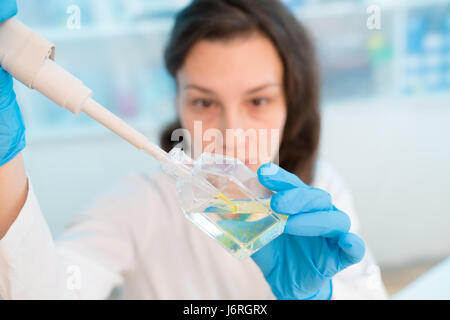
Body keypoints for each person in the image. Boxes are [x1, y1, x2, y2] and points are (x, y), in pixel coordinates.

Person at [0, 0, 387, 299]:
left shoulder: (322, 191)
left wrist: (322, 297)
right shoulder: (140, 205)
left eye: (258, 101)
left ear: (291, 103)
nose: (232, 137)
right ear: (179, 103)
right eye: (204, 102)